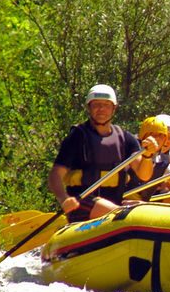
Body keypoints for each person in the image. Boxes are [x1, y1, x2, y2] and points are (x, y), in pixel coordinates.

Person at [48, 84, 159, 222]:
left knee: (139, 212)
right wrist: (63, 198)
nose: (101, 109)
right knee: (118, 213)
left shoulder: (125, 139)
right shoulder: (77, 136)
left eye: (106, 105)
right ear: (89, 107)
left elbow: (144, 175)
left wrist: (148, 156)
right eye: (97, 104)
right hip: (82, 204)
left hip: (113, 206)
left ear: (114, 109)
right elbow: (55, 175)